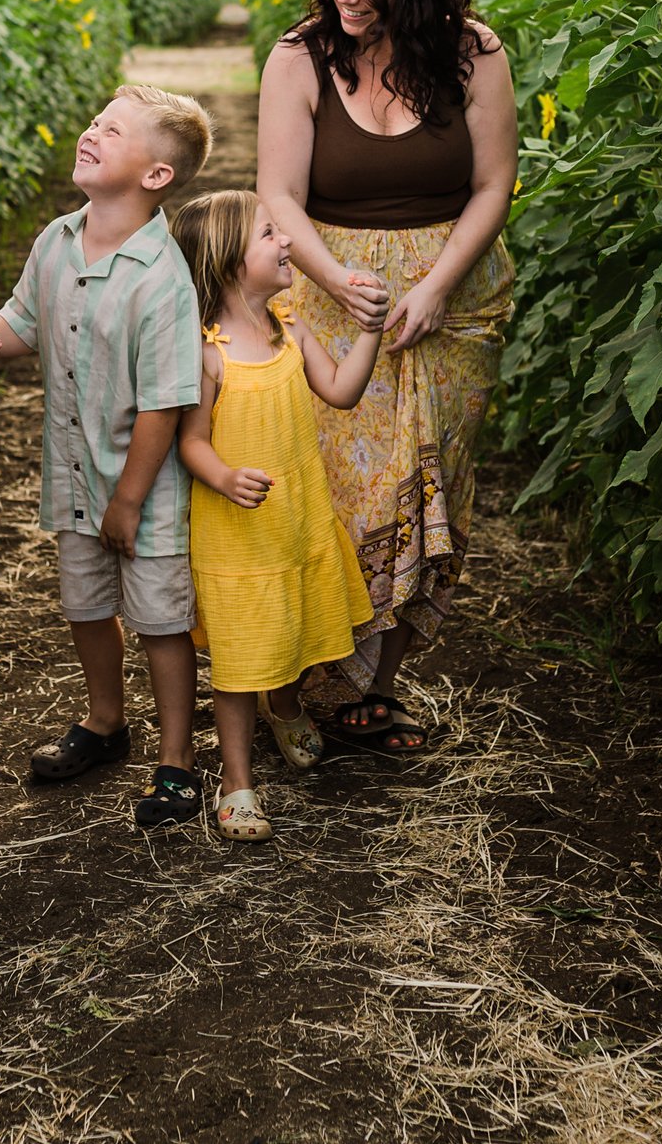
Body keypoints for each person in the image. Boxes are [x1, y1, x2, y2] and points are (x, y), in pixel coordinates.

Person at [256, 0, 519, 753]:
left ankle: (378, 688)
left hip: (455, 298)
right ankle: (298, 677)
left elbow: (492, 184)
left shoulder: (475, 55)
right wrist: (336, 280)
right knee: (332, 491)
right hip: (335, 297)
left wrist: (438, 284)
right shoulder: (298, 58)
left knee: (431, 484)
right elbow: (279, 197)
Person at [0, 86, 217, 827]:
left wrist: (129, 496)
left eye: (111, 131)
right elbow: (23, 320)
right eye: (93, 121)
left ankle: (178, 761)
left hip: (141, 488)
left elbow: (165, 400)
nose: (90, 133)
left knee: (159, 619)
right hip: (74, 468)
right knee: (85, 603)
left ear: (156, 175)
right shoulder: (57, 238)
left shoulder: (161, 276)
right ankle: (105, 720)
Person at [170, 191, 383, 842]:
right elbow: (191, 441)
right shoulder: (211, 352)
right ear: (231, 260)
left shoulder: (289, 325)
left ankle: (285, 706)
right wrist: (226, 476)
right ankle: (238, 783)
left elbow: (342, 391)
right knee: (238, 660)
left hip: (294, 517)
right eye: (270, 234)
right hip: (234, 534)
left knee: (291, 625)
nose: (287, 241)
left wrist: (372, 330)